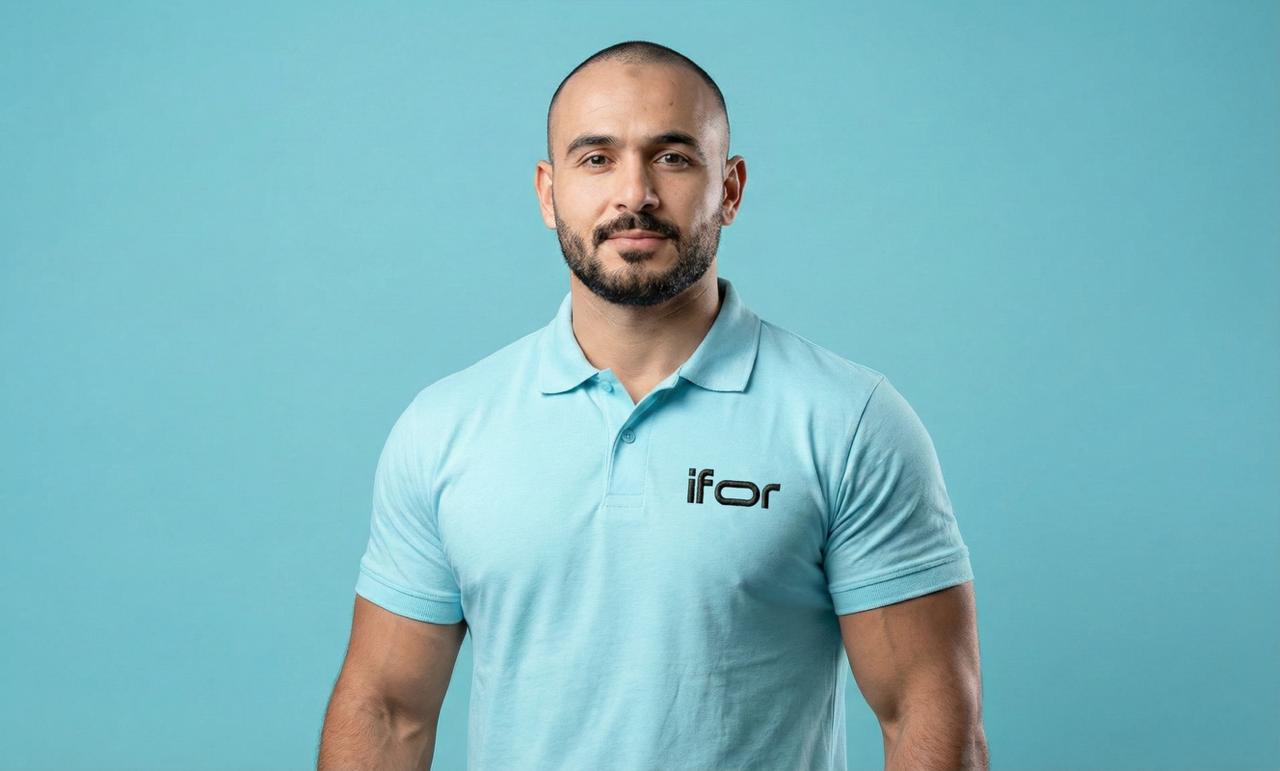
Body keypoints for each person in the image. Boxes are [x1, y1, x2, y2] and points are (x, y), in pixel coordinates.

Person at [319, 40, 988, 771]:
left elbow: (927, 711)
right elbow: (386, 711)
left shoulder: (848, 421)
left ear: (729, 189)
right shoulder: (444, 428)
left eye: (671, 157)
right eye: (596, 158)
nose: (633, 193)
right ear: (548, 192)